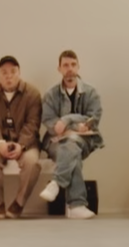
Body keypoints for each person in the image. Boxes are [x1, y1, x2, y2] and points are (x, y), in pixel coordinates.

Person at [38, 49, 103, 219]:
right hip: (55, 141)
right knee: (71, 152)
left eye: (73, 65)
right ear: (59, 68)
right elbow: (49, 121)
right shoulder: (51, 94)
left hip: (85, 140)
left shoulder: (91, 92)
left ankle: (56, 183)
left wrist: (67, 120)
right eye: (65, 65)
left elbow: (93, 119)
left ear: (78, 67)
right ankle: (76, 205)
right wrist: (73, 127)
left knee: (71, 143)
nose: (70, 69)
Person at [0, 55, 43, 218]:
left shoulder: (32, 94)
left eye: (13, 72)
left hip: (26, 143)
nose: (9, 76)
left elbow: (33, 123)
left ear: (19, 73)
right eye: (4, 72)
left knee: (31, 162)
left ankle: (18, 204)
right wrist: (0, 144)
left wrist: (21, 145)